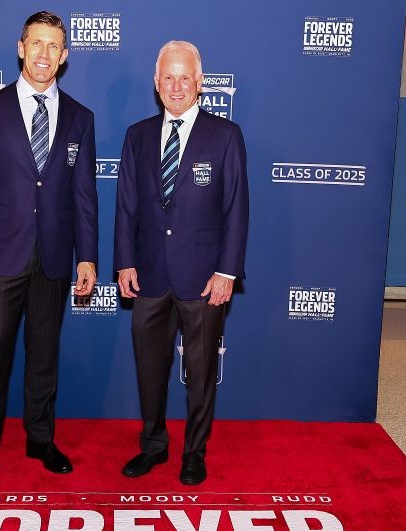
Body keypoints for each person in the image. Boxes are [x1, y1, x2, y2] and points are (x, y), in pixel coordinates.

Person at [0, 11, 99, 490]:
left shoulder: (81, 118)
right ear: (21, 48)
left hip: (54, 256)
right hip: (1, 255)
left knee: (44, 357)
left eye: (53, 46)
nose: (43, 54)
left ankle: (40, 439)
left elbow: (84, 195)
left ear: (64, 56)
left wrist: (87, 256)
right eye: (36, 43)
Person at [114, 40, 249, 485]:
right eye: (168, 78)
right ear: (156, 83)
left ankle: (195, 452)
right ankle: (153, 446)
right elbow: (126, 206)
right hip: (149, 274)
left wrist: (227, 271)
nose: (176, 86)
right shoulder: (136, 136)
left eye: (185, 77)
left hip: (205, 278)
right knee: (150, 371)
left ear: (200, 82)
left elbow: (236, 208)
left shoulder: (225, 135)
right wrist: (125, 262)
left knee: (203, 372)